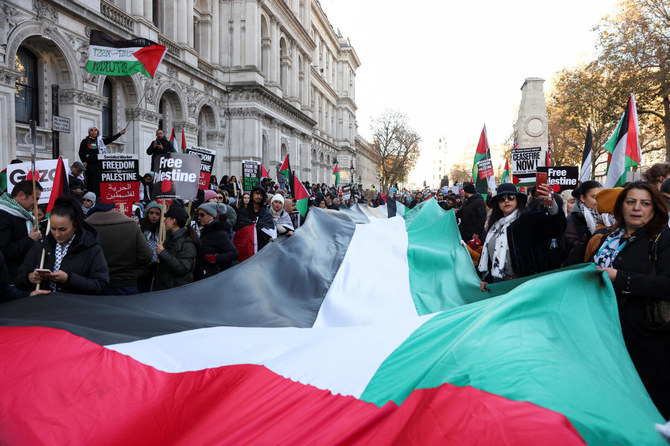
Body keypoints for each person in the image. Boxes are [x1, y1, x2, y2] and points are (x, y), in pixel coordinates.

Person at [590, 181, 670, 418]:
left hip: (647, 341)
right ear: (621, 207)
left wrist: (621, 278)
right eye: (631, 202)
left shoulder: (663, 238)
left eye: (645, 203)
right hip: (607, 335)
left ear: (654, 208)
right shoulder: (609, 237)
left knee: (650, 407)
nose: (637, 208)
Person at [16, 196, 109, 294]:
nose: (57, 234)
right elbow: (19, 280)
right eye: (53, 228)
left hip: (77, 306)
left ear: (75, 226)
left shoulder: (90, 247)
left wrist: (69, 279)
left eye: (62, 229)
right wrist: (30, 278)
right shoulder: (42, 245)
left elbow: (101, 285)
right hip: (45, 305)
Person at [478, 183, 566, 287]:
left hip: (524, 285)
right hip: (500, 284)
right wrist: (488, 280)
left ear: (517, 200)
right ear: (498, 204)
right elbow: (493, 257)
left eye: (510, 197)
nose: (506, 201)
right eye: (501, 199)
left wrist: (551, 202)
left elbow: (557, 227)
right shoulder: (494, 227)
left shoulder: (529, 219)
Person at [86, 202, 153, 295]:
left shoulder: (86, 228)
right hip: (127, 285)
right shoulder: (131, 225)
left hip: (95, 285)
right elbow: (147, 256)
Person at [0, 179, 42, 284]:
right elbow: (3, 251)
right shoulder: (3, 216)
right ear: (22, 195)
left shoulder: (25, 216)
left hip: (22, 277)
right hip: (9, 281)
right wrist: (30, 240)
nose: (36, 204)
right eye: (35, 199)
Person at [154, 205, 198, 290]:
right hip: (166, 287)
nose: (163, 221)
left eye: (166, 218)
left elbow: (183, 269)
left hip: (176, 290)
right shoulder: (171, 237)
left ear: (173, 221)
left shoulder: (187, 243)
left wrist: (163, 253)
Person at [562, 181, 604, 265]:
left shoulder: (607, 218)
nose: (599, 200)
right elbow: (573, 249)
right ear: (583, 198)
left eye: (602, 196)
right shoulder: (572, 220)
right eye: (594, 197)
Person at [194, 203, 238, 281]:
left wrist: (215, 258)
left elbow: (234, 253)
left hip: (211, 276)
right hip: (204, 274)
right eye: (198, 215)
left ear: (211, 216)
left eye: (202, 215)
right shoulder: (206, 229)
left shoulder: (219, 233)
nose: (199, 217)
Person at [79, 125, 126, 197]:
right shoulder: (85, 141)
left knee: (99, 183)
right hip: (90, 165)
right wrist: (84, 161)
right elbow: (81, 152)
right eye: (92, 130)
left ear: (98, 132)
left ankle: (98, 198)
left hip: (100, 165)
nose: (94, 132)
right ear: (89, 132)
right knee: (91, 182)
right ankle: (90, 198)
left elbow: (111, 139)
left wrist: (120, 133)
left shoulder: (100, 141)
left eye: (95, 130)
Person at [138, 201, 161, 292]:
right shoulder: (141, 228)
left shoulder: (163, 230)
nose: (154, 216)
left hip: (157, 266)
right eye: (151, 213)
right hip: (144, 266)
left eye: (157, 213)